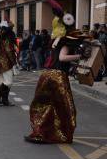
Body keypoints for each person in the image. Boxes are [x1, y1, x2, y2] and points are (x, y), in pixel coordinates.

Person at [25, 12, 88, 144]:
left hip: (46, 75)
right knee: (65, 108)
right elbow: (62, 58)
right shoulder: (65, 40)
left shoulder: (55, 39)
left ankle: (41, 132)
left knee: (46, 105)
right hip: (57, 77)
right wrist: (80, 57)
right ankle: (62, 134)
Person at [0, 21, 17, 106]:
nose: (13, 29)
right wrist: (15, 62)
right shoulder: (6, 38)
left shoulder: (1, 36)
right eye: (12, 28)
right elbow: (9, 51)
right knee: (8, 82)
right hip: (6, 62)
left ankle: (5, 100)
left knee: (6, 82)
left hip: (2, 60)